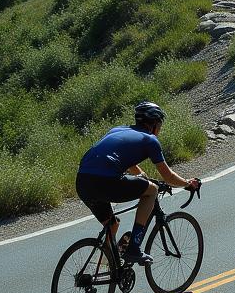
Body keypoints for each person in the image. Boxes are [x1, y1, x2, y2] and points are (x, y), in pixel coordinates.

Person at [75, 101, 201, 265]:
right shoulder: (150, 140)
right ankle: (134, 248)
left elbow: (119, 157)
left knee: (112, 224)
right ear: (155, 124)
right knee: (152, 190)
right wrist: (187, 184)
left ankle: (104, 268)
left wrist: (141, 175)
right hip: (105, 182)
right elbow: (168, 176)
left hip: (83, 182)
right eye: (160, 124)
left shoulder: (118, 130)